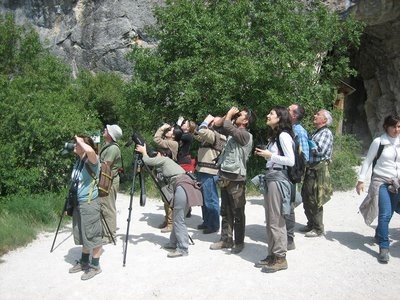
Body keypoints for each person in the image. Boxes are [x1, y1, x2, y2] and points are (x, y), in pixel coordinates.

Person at [135, 144, 203, 257]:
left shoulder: (165, 160)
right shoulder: (167, 165)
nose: (155, 156)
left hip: (182, 186)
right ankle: (173, 243)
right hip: (186, 186)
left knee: (178, 219)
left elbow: (147, 160)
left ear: (163, 155)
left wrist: (143, 151)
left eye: (157, 154)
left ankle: (183, 248)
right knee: (178, 217)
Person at [254, 106, 295, 273]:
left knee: (276, 219)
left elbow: (290, 161)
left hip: (278, 179)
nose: (267, 115)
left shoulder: (284, 136)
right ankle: (272, 255)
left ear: (279, 118)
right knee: (271, 218)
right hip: (272, 177)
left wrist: (269, 155)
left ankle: (280, 258)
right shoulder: (275, 137)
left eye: (271, 113)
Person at [209, 106, 255, 254]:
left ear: (246, 121)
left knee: (238, 212)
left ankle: (239, 242)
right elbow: (217, 125)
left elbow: (228, 126)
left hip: (236, 178)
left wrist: (229, 114)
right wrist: (227, 115)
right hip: (226, 175)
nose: (236, 116)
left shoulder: (245, 135)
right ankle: (226, 239)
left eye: (240, 115)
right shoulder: (232, 131)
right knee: (226, 210)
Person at [356, 114, 400, 263]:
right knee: (385, 214)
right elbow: (367, 161)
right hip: (381, 181)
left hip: (397, 183)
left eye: (399, 126)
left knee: (391, 212)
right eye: (393, 126)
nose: (396, 129)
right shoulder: (379, 142)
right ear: (386, 126)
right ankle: (384, 247)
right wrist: (361, 180)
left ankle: (379, 232)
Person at [68, 135, 103, 280]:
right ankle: (83, 262)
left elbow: (91, 152)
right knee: (83, 234)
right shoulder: (79, 161)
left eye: (77, 144)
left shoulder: (92, 160)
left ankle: (95, 266)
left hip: (89, 204)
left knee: (93, 235)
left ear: (84, 145)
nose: (74, 145)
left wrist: (81, 142)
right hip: (78, 203)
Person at [300, 109, 334, 237]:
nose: (314, 115)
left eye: (318, 114)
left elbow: (320, 151)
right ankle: (311, 223)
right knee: (306, 196)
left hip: (317, 171)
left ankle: (318, 228)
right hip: (311, 169)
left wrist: (306, 144)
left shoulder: (326, 133)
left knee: (314, 198)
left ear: (324, 120)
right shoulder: (317, 132)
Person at [194, 114, 226, 234]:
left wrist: (206, 121)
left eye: (213, 122)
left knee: (211, 199)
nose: (211, 124)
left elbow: (202, 130)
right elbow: (197, 133)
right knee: (204, 199)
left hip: (210, 172)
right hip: (203, 170)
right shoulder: (209, 136)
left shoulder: (216, 136)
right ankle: (207, 221)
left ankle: (213, 225)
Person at [285, 103, 310, 250]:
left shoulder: (299, 131)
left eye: (289, 110)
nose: (286, 111)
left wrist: (294, 170)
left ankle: (289, 239)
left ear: (294, 115)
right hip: (283, 172)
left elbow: (305, 155)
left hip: (290, 173)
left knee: (289, 205)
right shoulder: (288, 129)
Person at [153, 123, 183, 233]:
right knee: (165, 199)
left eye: (171, 131)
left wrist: (162, 128)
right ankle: (167, 220)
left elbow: (156, 139)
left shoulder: (173, 143)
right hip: (163, 173)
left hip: (169, 175)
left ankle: (170, 223)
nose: (169, 131)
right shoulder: (169, 142)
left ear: (174, 136)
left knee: (169, 199)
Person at [99, 124, 123, 244]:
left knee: (108, 207)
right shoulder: (107, 146)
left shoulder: (113, 148)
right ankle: (105, 232)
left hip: (109, 181)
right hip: (106, 180)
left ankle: (109, 235)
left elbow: (105, 165)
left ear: (110, 134)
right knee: (104, 206)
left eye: (106, 129)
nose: (104, 130)